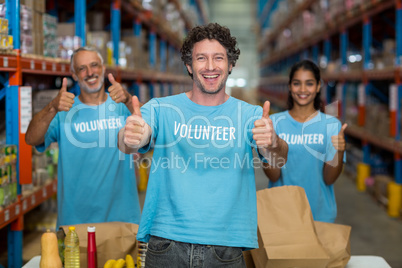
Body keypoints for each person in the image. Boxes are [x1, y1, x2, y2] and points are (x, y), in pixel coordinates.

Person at [118, 23, 288, 267]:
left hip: (226, 247)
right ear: (189, 65)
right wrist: (133, 135)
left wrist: (271, 143)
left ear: (231, 64)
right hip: (166, 243)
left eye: (218, 58)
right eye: (201, 58)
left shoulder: (250, 114)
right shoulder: (161, 108)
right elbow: (127, 142)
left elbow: (280, 160)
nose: (210, 66)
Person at [25, 46, 141, 228]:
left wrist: (128, 100)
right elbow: (31, 139)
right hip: (76, 224)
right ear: (74, 74)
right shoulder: (63, 110)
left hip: (122, 222)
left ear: (103, 68)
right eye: (82, 68)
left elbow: (153, 129)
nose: (90, 72)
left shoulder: (120, 106)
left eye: (94, 65)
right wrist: (52, 107)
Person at [263, 59, 347, 223]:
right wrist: (266, 148)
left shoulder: (331, 125)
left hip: (319, 213)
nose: (302, 89)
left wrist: (340, 151)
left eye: (309, 83)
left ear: (317, 87)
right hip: (281, 213)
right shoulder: (275, 123)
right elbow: (274, 176)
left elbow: (329, 179)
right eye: (297, 83)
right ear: (289, 86)